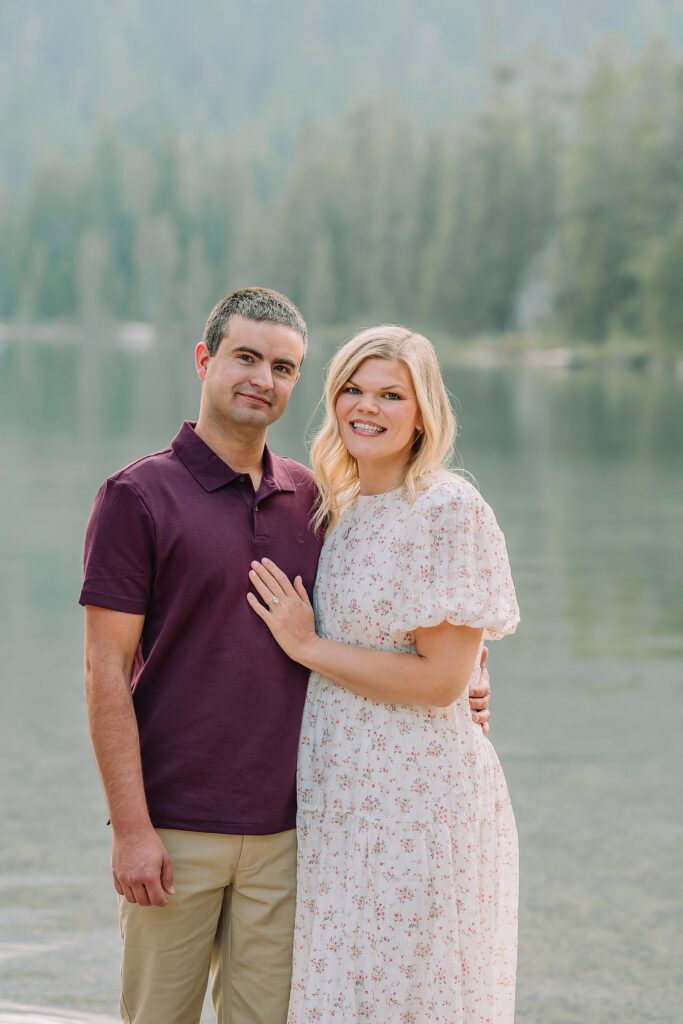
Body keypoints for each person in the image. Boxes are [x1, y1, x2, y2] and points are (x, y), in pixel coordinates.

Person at [80, 289, 493, 1024]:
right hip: (177, 827)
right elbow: (104, 672)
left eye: (283, 366)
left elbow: (396, 615)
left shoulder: (313, 498)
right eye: (245, 357)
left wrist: (471, 675)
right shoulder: (137, 496)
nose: (261, 379)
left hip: (293, 834)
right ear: (205, 360)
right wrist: (133, 829)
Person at [247, 325, 520, 1024]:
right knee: (346, 987)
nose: (365, 408)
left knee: (413, 989)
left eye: (390, 394)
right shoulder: (337, 511)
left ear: (423, 411)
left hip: (418, 802)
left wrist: (307, 646)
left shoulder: (446, 509)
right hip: (341, 797)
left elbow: (439, 683)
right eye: (352, 390)